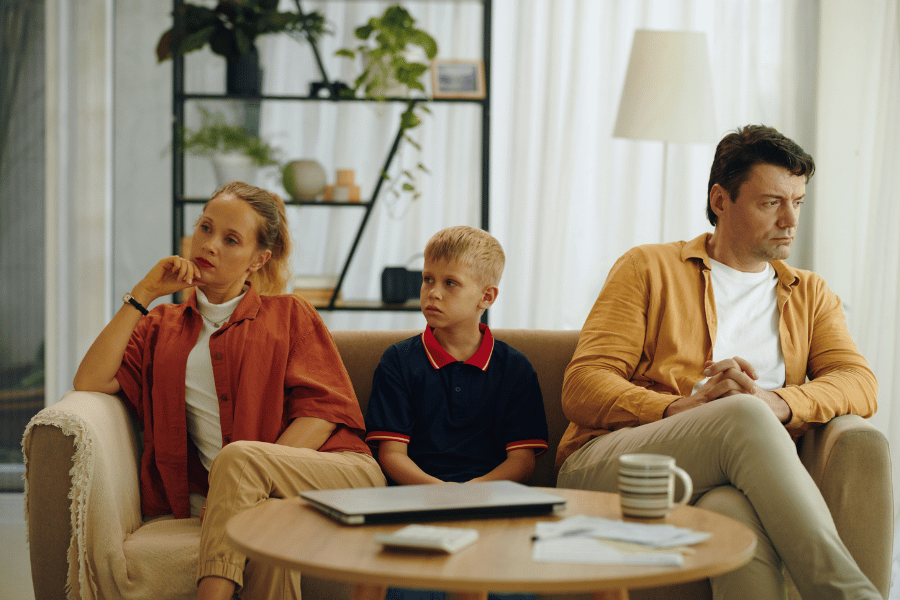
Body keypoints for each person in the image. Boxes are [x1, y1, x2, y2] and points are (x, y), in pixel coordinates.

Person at [556, 125, 881, 600]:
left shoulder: (809, 293)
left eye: (798, 202)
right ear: (720, 200)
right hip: (618, 460)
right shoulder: (647, 267)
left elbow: (859, 383)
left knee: (734, 512)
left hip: (730, 475)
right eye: (771, 202)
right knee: (741, 413)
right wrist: (678, 410)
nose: (790, 220)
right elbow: (583, 384)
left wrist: (776, 403)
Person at [73, 181, 386, 600]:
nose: (210, 245)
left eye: (231, 239)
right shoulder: (159, 326)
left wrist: (255, 476)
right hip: (250, 498)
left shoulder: (290, 314)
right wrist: (144, 293)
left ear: (258, 260)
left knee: (238, 458)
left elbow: (324, 412)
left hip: (334, 472)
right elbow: (90, 381)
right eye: (205, 228)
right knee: (271, 537)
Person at [365, 225, 549, 485]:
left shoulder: (515, 368)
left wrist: (472, 493)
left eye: (450, 283)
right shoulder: (397, 361)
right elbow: (392, 455)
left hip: (491, 498)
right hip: (416, 496)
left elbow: (522, 461)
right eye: (428, 279)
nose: (433, 292)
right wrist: (440, 493)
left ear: (486, 297)